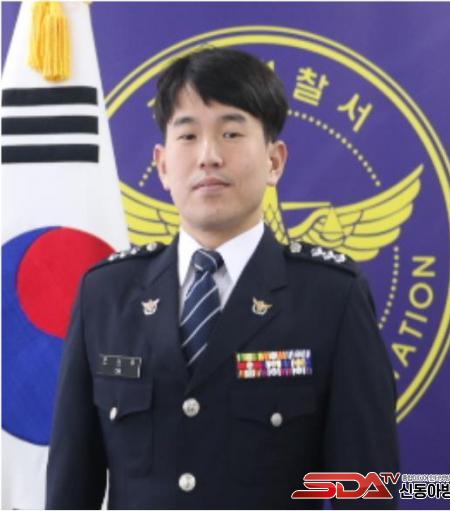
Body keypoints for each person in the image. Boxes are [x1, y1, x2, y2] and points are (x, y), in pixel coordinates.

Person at [46, 47, 399, 510]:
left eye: (231, 133)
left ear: (274, 161)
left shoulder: (332, 297)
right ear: (163, 165)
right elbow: (71, 488)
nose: (209, 156)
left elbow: (368, 491)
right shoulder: (106, 294)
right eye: (188, 135)